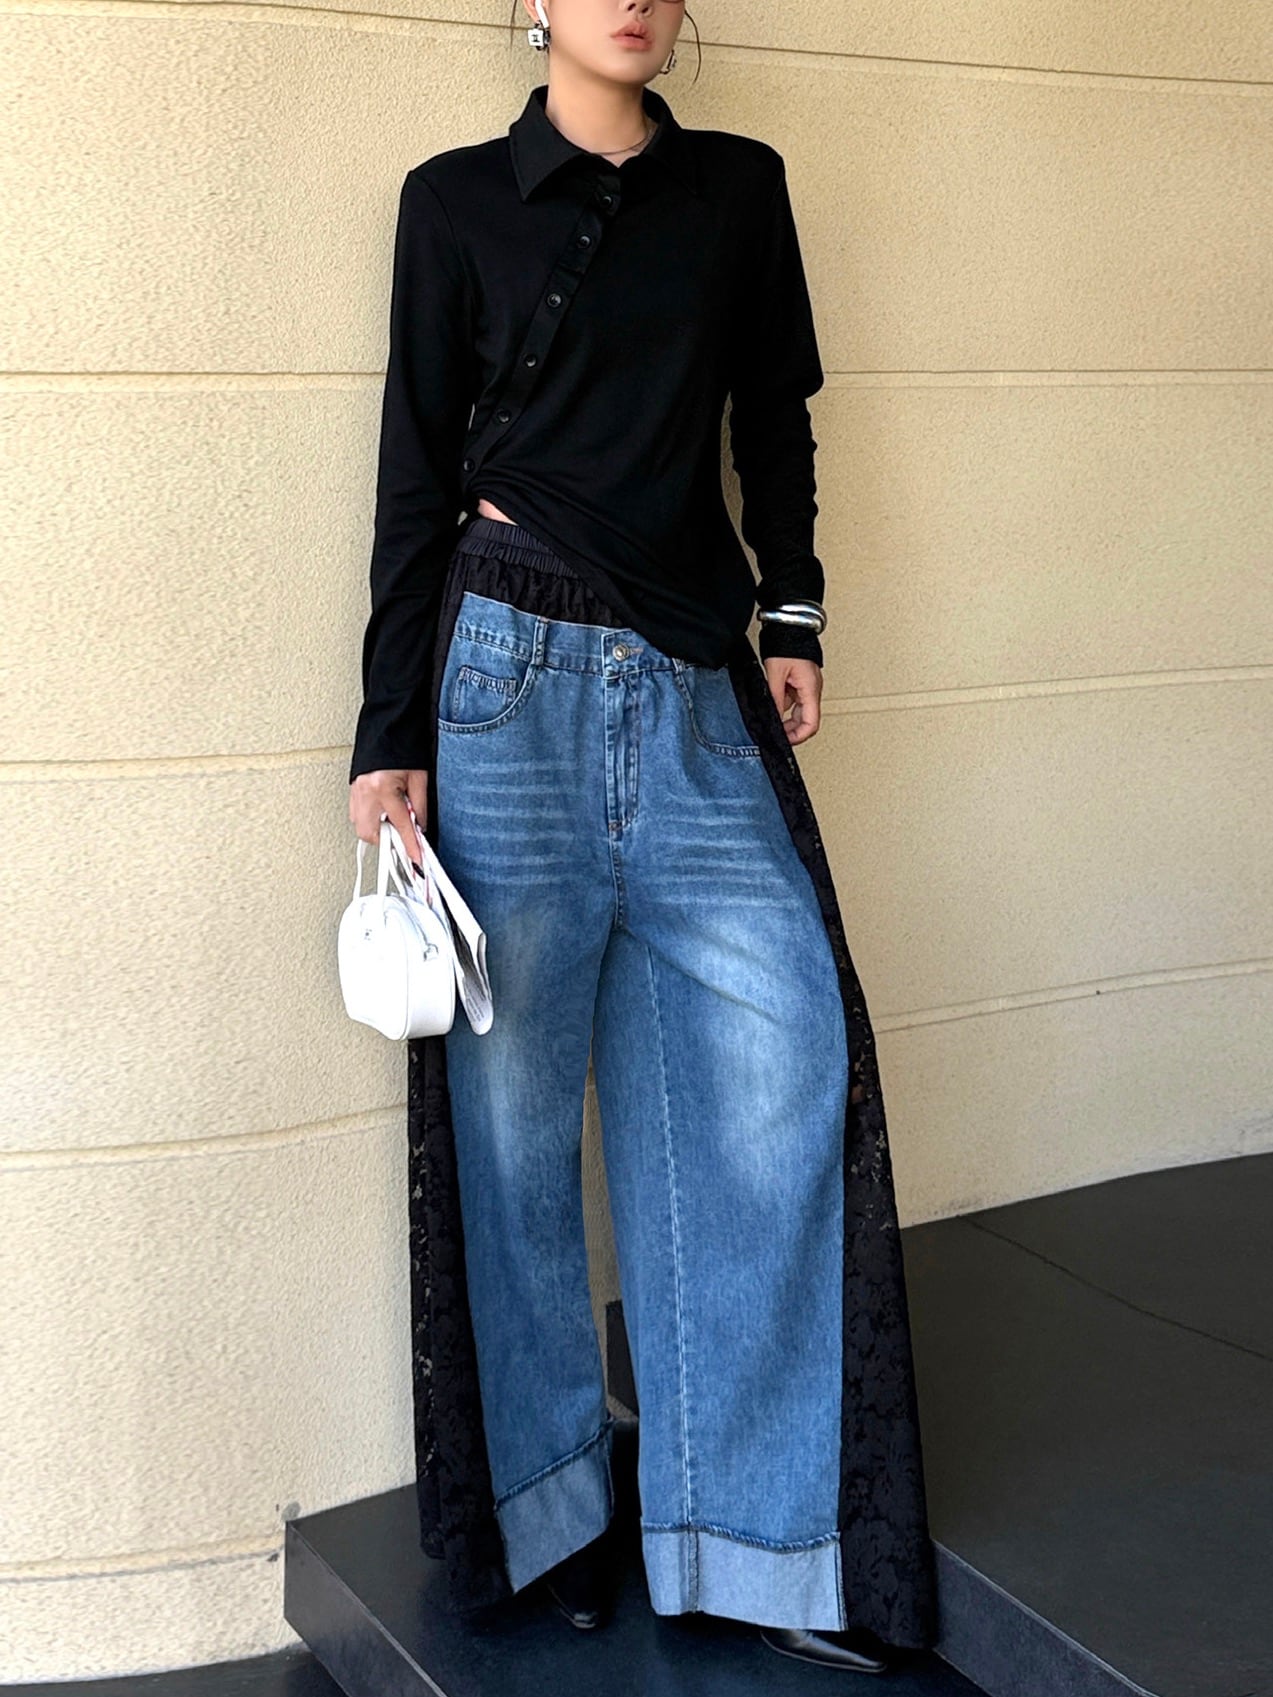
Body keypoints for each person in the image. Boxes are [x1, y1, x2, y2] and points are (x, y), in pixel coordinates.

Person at [347, 0, 939, 1673]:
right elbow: (413, 469)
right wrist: (389, 731)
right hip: (502, 677)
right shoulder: (454, 201)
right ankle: (548, 1521)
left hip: (690, 682)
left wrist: (794, 611)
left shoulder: (736, 189)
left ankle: (740, 1530)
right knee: (511, 1122)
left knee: (777, 1059)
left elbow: (775, 420)